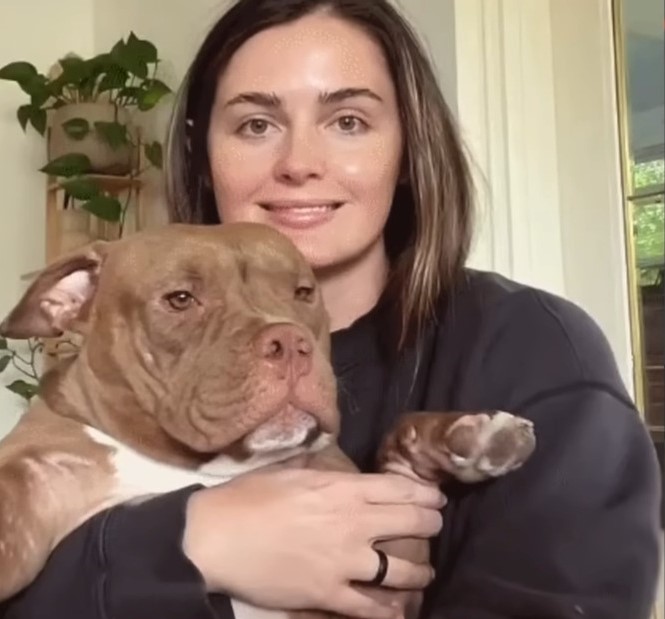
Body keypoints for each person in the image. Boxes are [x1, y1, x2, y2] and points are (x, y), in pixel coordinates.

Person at [1, 0, 661, 617]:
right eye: (256, 124)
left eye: (347, 121)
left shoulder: (528, 351)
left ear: (407, 148)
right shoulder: (85, 416)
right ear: (205, 156)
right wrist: (190, 540)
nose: (299, 163)